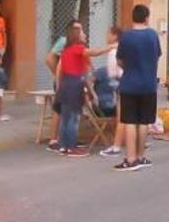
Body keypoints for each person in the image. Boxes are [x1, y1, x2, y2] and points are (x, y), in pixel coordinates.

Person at [113, 5, 162, 171]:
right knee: (143, 122)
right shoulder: (153, 35)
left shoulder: (126, 37)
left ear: (132, 17)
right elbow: (157, 56)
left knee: (130, 121)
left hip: (129, 84)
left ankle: (130, 158)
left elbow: (119, 61)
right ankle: (141, 157)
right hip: (148, 84)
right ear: (147, 18)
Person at [55, 26, 112, 157]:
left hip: (66, 84)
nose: (84, 34)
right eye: (82, 33)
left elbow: (83, 73)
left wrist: (91, 91)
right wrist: (111, 47)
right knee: (74, 118)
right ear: (76, 36)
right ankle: (71, 147)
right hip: (74, 86)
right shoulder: (78, 49)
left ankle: (64, 146)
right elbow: (95, 52)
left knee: (65, 117)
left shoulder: (66, 51)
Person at [44, 20, 83, 152]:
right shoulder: (64, 41)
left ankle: (66, 139)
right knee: (59, 109)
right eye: (78, 29)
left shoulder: (76, 44)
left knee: (65, 111)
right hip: (65, 81)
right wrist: (58, 74)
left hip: (69, 81)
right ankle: (54, 139)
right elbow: (49, 58)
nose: (80, 31)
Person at [92, 26, 122, 118]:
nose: (106, 36)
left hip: (110, 104)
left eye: (108, 34)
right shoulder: (116, 49)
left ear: (114, 36)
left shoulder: (114, 52)